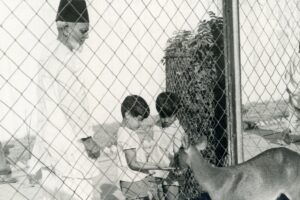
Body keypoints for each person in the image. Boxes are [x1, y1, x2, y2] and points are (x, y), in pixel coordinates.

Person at [27, 0, 101, 199]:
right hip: (70, 143)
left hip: (50, 141)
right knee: (82, 193)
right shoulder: (66, 58)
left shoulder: (48, 52)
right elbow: (73, 101)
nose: (86, 36)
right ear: (66, 28)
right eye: (83, 30)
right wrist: (88, 139)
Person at [117, 94, 170, 200]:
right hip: (133, 182)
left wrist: (147, 170)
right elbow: (133, 163)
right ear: (127, 114)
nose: (140, 124)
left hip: (135, 180)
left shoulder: (127, 132)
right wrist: (156, 166)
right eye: (139, 119)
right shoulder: (126, 134)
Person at [148, 92, 185, 200]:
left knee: (171, 197)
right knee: (156, 197)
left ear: (176, 112)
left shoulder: (178, 130)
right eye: (162, 116)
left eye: (170, 116)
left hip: (171, 171)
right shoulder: (155, 126)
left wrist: (178, 166)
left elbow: (178, 152)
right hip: (156, 170)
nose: (166, 120)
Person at [284, 43, 300, 144]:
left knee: (293, 115)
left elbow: (287, 74)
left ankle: (287, 131)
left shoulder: (294, 57)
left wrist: (289, 87)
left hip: (293, 90)